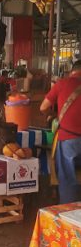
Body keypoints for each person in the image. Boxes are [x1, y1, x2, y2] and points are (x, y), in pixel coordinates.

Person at [40, 60, 81, 203]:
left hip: (69, 140)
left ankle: (69, 215)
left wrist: (53, 114)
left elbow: (43, 107)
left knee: (67, 178)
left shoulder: (62, 83)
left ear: (72, 71)